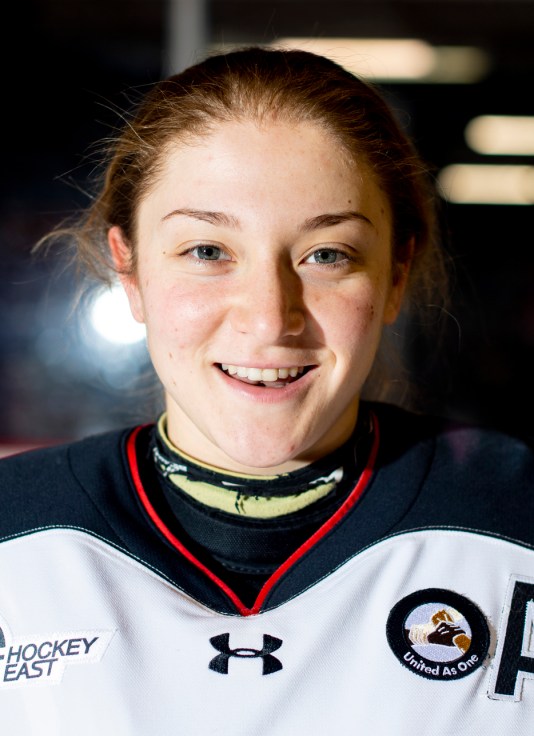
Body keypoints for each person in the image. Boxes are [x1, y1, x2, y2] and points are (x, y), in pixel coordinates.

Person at [0, 47, 532, 734]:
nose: (269, 316)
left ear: (396, 275)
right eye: (207, 252)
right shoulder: (17, 539)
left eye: (326, 255)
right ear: (129, 272)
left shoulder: (513, 521)